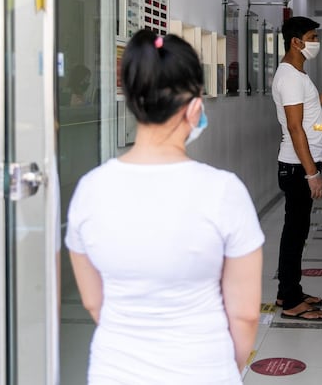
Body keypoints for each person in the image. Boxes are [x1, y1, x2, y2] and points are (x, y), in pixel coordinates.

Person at [65, 29, 264, 384]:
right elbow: (246, 314)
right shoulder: (223, 192)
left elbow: (95, 304)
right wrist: (224, 370)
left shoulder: (90, 190)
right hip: (201, 369)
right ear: (195, 106)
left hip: (114, 371)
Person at [271, 16, 322, 321]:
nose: (315, 42)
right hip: (298, 167)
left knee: (296, 231)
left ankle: (289, 291)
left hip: (299, 165)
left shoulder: (295, 74)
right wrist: (312, 174)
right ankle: (291, 299)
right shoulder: (290, 77)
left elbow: (305, 114)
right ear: (296, 42)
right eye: (312, 37)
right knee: (295, 233)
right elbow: (296, 129)